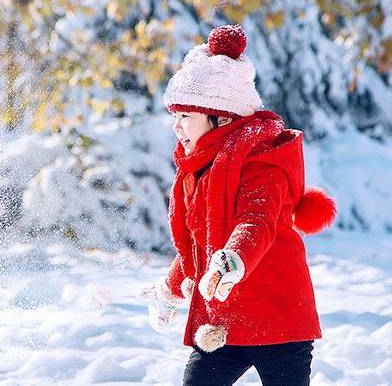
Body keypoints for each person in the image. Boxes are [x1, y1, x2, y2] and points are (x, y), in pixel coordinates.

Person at [142, 24, 337, 385]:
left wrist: (232, 258)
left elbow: (256, 221)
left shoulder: (263, 163)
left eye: (185, 116)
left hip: (280, 323)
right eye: (175, 116)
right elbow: (199, 244)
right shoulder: (201, 168)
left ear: (220, 116)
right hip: (224, 325)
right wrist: (170, 288)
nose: (177, 127)